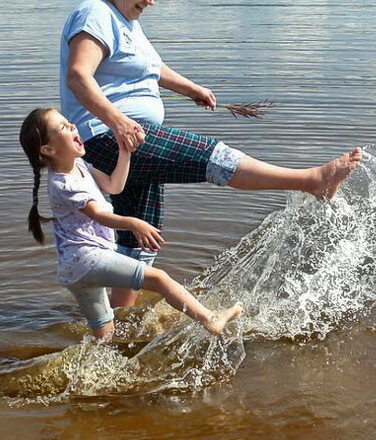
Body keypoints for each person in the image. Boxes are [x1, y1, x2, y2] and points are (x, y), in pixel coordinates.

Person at [59, 0, 363, 310]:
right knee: (210, 155)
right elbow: (79, 76)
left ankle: (121, 320)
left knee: (140, 235)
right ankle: (311, 180)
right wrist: (118, 122)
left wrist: (191, 88)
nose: (150, 1)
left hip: (127, 138)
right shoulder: (95, 13)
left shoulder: (126, 21)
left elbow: (150, 69)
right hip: (110, 137)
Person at [19, 106, 243, 342]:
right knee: (159, 279)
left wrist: (124, 152)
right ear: (48, 149)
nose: (73, 126)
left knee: (105, 335)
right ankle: (210, 319)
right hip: (89, 259)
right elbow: (98, 214)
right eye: (63, 127)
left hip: (75, 272)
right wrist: (134, 223)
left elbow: (115, 186)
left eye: (69, 122)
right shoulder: (63, 184)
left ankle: (100, 373)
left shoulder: (81, 167)